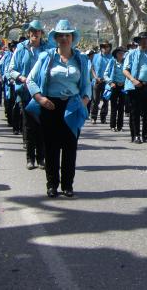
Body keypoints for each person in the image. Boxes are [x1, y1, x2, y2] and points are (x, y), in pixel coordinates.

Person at [26, 20, 91, 198]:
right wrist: (40, 98)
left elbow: (86, 84)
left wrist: (85, 100)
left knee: (70, 147)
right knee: (51, 147)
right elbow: (30, 80)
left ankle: (68, 185)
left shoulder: (81, 59)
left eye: (67, 35)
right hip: (50, 105)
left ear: (72, 38)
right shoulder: (46, 57)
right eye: (60, 35)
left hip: (73, 105)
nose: (64, 38)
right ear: (55, 38)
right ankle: (52, 185)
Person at [8, 20, 49, 170]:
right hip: (25, 93)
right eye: (32, 31)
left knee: (43, 126)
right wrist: (21, 77)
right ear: (28, 33)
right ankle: (30, 158)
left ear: (41, 33)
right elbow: (11, 69)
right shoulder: (20, 48)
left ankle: (41, 159)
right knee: (29, 126)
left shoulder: (48, 49)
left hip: (43, 93)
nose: (34, 33)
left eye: (37, 31)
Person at [123, 32, 147, 144]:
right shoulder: (131, 53)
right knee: (135, 112)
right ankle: (136, 135)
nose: (145, 41)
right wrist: (133, 80)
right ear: (138, 41)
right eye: (142, 39)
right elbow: (125, 69)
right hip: (135, 86)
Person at [104, 47, 127, 132]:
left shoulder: (126, 62)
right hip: (114, 86)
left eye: (122, 53)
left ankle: (120, 126)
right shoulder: (112, 62)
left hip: (123, 87)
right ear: (116, 54)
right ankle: (112, 125)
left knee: (121, 107)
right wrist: (110, 82)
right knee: (114, 107)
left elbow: (129, 73)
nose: (121, 54)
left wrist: (126, 83)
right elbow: (105, 74)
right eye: (120, 53)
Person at [90, 41, 113, 124]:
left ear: (109, 47)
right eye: (103, 46)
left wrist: (109, 80)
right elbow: (92, 68)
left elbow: (112, 70)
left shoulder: (112, 57)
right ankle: (93, 117)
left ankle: (103, 117)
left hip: (107, 82)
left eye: (107, 46)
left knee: (106, 100)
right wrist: (96, 77)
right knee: (95, 100)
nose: (105, 48)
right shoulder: (96, 56)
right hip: (96, 81)